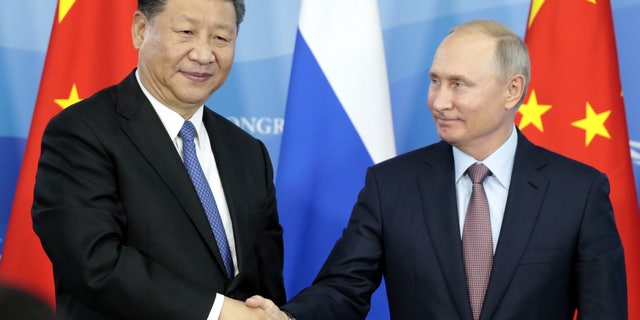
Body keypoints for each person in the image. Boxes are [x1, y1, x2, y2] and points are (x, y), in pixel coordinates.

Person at [247, 19, 628, 319]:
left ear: (513, 90)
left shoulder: (578, 192)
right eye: (435, 81)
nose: (440, 101)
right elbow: (344, 289)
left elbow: (604, 311)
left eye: (459, 84)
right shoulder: (390, 185)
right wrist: (288, 319)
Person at [32, 0, 285, 319]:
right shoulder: (81, 132)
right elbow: (93, 263)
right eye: (186, 32)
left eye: (221, 38)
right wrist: (219, 312)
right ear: (140, 30)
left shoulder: (248, 151)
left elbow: (267, 282)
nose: (204, 54)